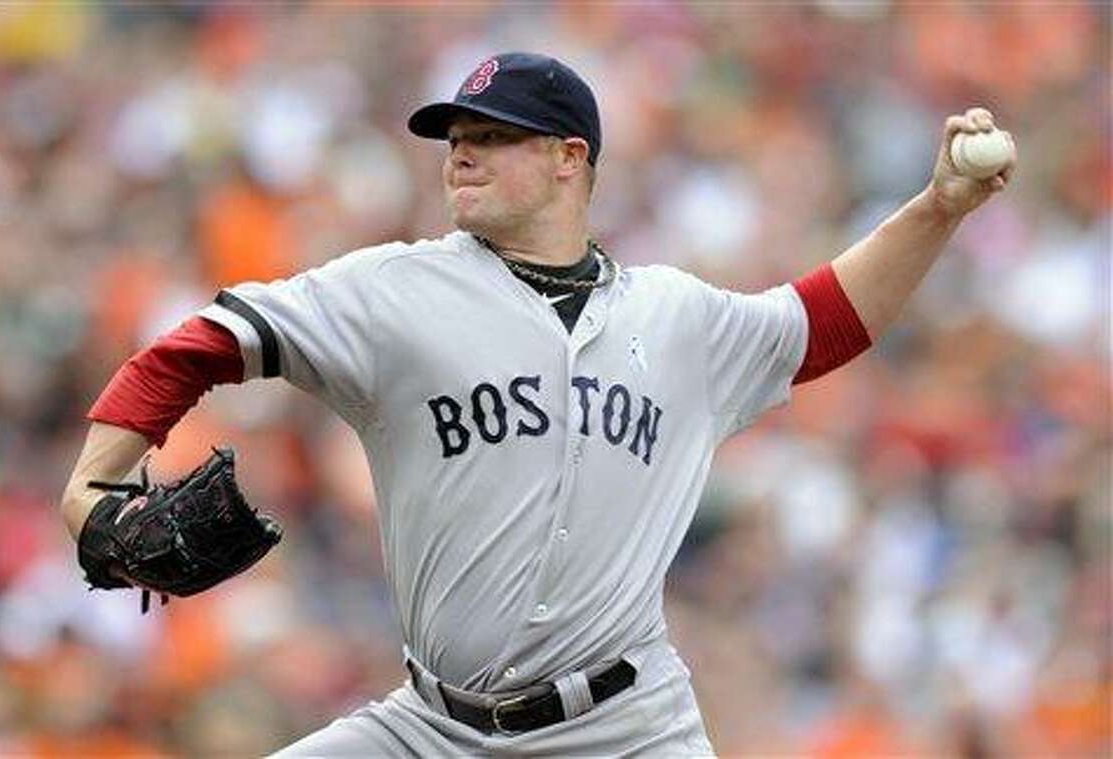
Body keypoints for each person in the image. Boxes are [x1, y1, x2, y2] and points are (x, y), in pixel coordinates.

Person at [60, 52, 1015, 756]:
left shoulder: (676, 318)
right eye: (456, 139)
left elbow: (827, 322)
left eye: (491, 137)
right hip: (430, 728)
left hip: (627, 728)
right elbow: (198, 347)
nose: (461, 156)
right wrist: (92, 484)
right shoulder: (391, 292)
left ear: (569, 159)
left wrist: (937, 209)